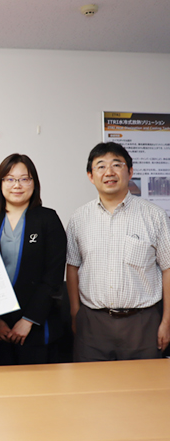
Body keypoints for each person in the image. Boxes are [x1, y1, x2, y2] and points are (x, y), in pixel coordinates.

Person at [67, 142, 170, 361]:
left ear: (130, 171)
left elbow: (168, 269)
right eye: (100, 166)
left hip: (143, 324)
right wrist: (75, 314)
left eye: (117, 165)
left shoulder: (155, 217)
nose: (109, 172)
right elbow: (72, 267)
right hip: (93, 324)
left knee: (144, 389)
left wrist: (167, 321)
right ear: (90, 175)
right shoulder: (79, 218)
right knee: (92, 390)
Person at [0, 154, 66, 365]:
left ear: (34, 183)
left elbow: (53, 275)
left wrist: (28, 320)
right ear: (0, 183)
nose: (17, 185)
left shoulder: (48, 219)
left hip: (36, 321)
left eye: (24, 179)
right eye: (9, 179)